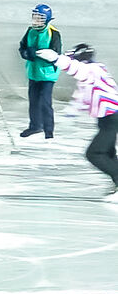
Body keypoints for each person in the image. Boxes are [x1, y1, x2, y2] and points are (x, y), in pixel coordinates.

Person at [35, 43, 118, 193]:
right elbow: (81, 97)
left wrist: (56, 59)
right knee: (107, 153)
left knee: (95, 154)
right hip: (107, 119)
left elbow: (76, 69)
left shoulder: (92, 70)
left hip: (112, 117)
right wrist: (69, 114)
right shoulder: (92, 74)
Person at [18, 3, 61, 139]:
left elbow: (55, 54)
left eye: (40, 18)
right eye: (35, 17)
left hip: (48, 75)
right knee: (34, 100)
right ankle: (35, 126)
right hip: (33, 72)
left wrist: (37, 53)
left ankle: (49, 131)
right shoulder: (30, 31)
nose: (36, 20)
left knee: (45, 102)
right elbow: (22, 47)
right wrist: (27, 53)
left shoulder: (53, 33)